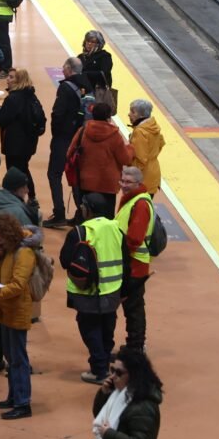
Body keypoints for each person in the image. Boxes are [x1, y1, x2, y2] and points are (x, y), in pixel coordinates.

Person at [0, 168, 42, 372]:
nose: (27, 190)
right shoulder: (16, 211)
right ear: (17, 188)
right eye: (24, 187)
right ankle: (15, 364)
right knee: (8, 323)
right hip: (8, 272)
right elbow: (24, 239)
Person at [61, 193, 126, 384]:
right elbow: (126, 260)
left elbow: (65, 261)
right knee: (107, 329)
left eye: (82, 206)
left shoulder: (80, 232)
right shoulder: (117, 229)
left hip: (88, 292)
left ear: (88, 210)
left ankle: (99, 370)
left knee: (90, 328)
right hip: (112, 290)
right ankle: (103, 364)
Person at [0, 214, 36, 420]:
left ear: (8, 234)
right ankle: (14, 397)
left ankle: (23, 403)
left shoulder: (24, 253)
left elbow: (18, 285)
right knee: (10, 358)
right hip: (3, 310)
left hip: (17, 311)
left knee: (18, 359)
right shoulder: (6, 251)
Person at [44, 57, 91, 228]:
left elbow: (58, 113)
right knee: (75, 177)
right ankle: (83, 213)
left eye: (64, 67)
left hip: (63, 138)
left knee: (54, 174)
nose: (62, 69)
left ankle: (59, 213)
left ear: (69, 69)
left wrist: (56, 133)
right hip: (80, 138)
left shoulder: (65, 87)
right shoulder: (87, 85)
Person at [92, 347, 164, 439]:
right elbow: (99, 414)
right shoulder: (117, 393)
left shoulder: (143, 408)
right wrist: (103, 394)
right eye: (112, 370)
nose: (113, 376)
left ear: (134, 375)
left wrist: (109, 435)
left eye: (119, 373)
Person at [68, 103, 133, 218]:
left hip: (85, 182)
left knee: (87, 217)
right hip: (108, 185)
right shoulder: (115, 136)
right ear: (108, 117)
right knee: (106, 219)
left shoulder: (83, 131)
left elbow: (69, 153)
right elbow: (125, 159)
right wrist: (130, 148)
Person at [116, 167, 155, 352]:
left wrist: (119, 255)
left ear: (138, 184)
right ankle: (135, 344)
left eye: (128, 182)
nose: (124, 185)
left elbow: (134, 238)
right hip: (132, 262)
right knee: (133, 306)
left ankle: (136, 346)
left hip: (134, 264)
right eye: (122, 181)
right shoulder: (133, 200)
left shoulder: (139, 205)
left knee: (133, 307)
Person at [0, 68, 42, 204]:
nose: (7, 80)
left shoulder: (13, 99)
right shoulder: (32, 96)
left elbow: (3, 119)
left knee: (14, 172)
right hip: (29, 142)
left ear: (19, 81)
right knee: (24, 168)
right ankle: (31, 197)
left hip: (14, 144)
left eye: (11, 77)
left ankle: (15, 200)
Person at [127, 99, 165, 196]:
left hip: (142, 179)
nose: (129, 114)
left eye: (133, 112)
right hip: (153, 174)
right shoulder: (153, 127)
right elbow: (160, 144)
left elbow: (140, 159)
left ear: (141, 115)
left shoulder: (140, 132)